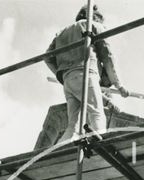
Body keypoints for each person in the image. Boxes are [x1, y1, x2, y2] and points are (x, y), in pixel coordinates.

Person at [45, 4, 129, 141]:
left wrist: (61, 74)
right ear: (95, 18)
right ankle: (99, 146)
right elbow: (108, 58)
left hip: (67, 80)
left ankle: (61, 152)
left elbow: (47, 57)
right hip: (86, 73)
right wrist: (119, 85)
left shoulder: (62, 32)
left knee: (74, 124)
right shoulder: (93, 26)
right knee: (96, 113)